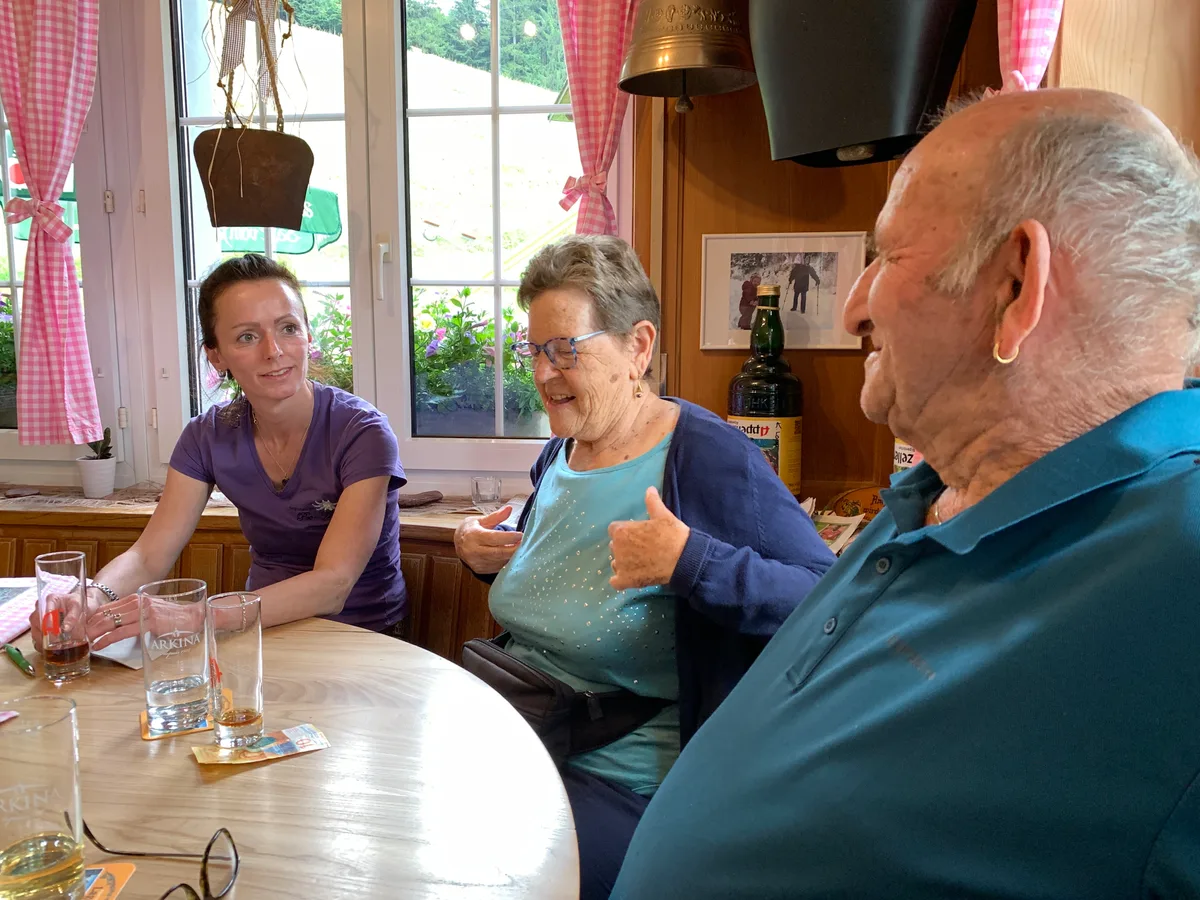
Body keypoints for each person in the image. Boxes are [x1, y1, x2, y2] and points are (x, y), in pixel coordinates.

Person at [611, 88, 1200, 898]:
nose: (854, 304)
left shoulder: (1179, 559)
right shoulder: (933, 493)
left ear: (1017, 285)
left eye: (886, 255)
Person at [454, 234, 835, 900]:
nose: (545, 374)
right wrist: (485, 559)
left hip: (625, 778)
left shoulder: (706, 457)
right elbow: (565, 585)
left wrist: (692, 561)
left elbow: (829, 601)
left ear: (639, 347)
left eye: (566, 348)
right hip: (523, 741)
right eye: (535, 350)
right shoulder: (561, 454)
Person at [29, 254, 408, 650]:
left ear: (308, 336)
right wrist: (92, 596)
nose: (274, 350)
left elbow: (334, 584)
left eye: (288, 328)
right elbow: (147, 557)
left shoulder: (363, 432)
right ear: (217, 355)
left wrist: (196, 615)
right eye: (247, 336)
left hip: (363, 636)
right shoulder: (205, 435)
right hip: (257, 632)